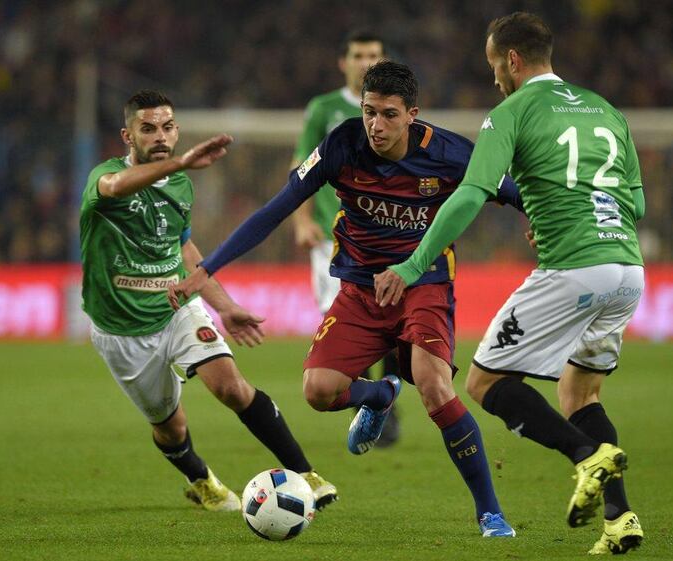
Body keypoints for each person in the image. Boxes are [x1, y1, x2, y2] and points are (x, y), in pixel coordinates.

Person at [170, 61, 525, 537]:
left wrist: (544, 222)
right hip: (360, 288)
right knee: (317, 390)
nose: (376, 126)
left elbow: (511, 190)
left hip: (424, 283)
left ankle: (490, 512)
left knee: (434, 385)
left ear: (412, 115)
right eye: (369, 112)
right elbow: (276, 210)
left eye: (389, 115)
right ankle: (379, 396)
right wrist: (207, 268)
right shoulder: (341, 144)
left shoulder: (448, 153)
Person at [374, 12, 644, 555]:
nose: (495, 76)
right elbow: (635, 202)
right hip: (628, 268)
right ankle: (619, 518)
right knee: (580, 391)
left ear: (513, 61)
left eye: (495, 65)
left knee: (485, 383)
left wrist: (411, 264)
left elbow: (472, 192)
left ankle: (585, 456)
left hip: (573, 267)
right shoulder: (605, 109)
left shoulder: (512, 111)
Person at [79, 90, 337, 513]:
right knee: (169, 424)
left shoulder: (180, 186)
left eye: (166, 127)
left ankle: (306, 473)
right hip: (121, 330)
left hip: (176, 306)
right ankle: (199, 478)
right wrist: (179, 162)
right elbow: (114, 186)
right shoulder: (104, 177)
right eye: (147, 129)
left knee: (231, 386)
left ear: (177, 129)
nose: (159, 136)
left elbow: (184, 250)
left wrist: (224, 304)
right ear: (128, 136)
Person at [291, 29, 400, 446]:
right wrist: (302, 221)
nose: (366, 61)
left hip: (384, 236)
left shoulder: (394, 108)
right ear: (344, 62)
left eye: (374, 53)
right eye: (358, 54)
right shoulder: (325, 109)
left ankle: (385, 399)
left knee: (390, 312)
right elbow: (300, 165)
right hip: (333, 237)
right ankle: (371, 403)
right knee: (340, 314)